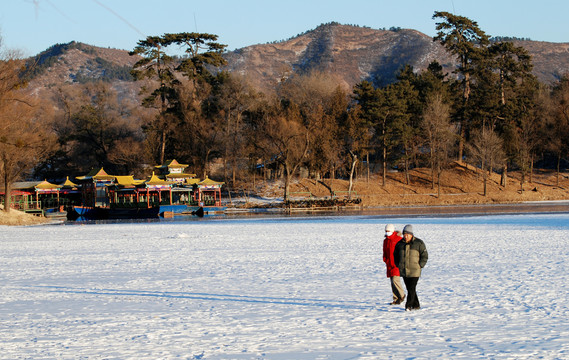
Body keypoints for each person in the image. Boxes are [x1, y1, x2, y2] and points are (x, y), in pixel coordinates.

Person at [393, 224, 428, 311]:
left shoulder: (419, 243)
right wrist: (398, 264)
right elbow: (395, 255)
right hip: (404, 270)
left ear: (411, 234)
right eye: (404, 234)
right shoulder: (399, 244)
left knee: (412, 288)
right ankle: (416, 305)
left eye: (407, 235)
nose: (405, 236)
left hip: (415, 270)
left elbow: (424, 255)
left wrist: (420, 265)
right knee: (410, 289)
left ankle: (408, 306)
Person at [382, 224, 405, 305]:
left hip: (396, 264)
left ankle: (402, 295)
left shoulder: (398, 239)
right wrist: (385, 260)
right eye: (386, 231)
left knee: (396, 280)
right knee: (392, 282)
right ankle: (396, 299)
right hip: (389, 264)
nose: (387, 232)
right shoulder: (385, 241)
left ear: (392, 231)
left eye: (388, 231)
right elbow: (385, 252)